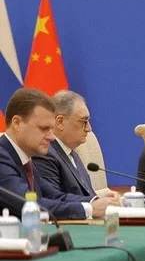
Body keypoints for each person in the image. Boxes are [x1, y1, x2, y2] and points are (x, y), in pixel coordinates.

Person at [0, 88, 109, 219]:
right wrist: (89, 209)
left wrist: (96, 202)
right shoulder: (2, 157)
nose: (52, 137)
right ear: (17, 123)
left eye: (51, 129)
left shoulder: (25, 160)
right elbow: (29, 205)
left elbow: (55, 196)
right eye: (44, 128)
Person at [33, 90, 119, 207]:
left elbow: (84, 194)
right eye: (84, 121)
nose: (89, 128)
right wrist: (93, 202)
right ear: (60, 122)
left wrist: (100, 198)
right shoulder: (45, 154)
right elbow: (53, 200)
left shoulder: (72, 153)